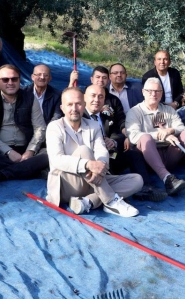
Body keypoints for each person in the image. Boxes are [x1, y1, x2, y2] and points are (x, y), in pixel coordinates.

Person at [46, 87, 142, 217]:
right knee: (84, 150)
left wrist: (100, 168)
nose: (74, 108)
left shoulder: (93, 125)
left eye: (78, 104)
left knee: (137, 180)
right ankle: (111, 201)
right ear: (62, 108)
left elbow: (101, 151)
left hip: (93, 180)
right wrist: (88, 164)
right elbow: (56, 159)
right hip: (67, 185)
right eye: (70, 104)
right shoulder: (54, 127)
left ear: (84, 105)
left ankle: (88, 202)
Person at [126, 78, 185, 194]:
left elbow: (181, 128)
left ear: (161, 93)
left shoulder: (169, 110)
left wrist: (170, 130)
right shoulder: (134, 112)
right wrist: (160, 135)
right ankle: (167, 179)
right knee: (145, 138)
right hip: (149, 157)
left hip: (170, 153)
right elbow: (133, 136)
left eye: (157, 91)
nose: (153, 94)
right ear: (143, 92)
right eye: (150, 91)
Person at [84, 85, 166, 201]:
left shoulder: (106, 115)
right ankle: (110, 195)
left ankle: (145, 189)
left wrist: (113, 141)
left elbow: (117, 132)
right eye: (93, 96)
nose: (96, 100)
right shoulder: (80, 117)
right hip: (91, 161)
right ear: (84, 97)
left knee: (133, 154)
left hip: (110, 156)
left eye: (100, 97)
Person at [0, 64, 49, 183]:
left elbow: (40, 128)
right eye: (5, 80)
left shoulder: (30, 98)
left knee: (49, 154)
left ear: (19, 80)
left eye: (14, 79)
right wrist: (9, 152)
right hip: (0, 151)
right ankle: (28, 170)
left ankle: (3, 174)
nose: (10, 83)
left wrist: (30, 151)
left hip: (26, 148)